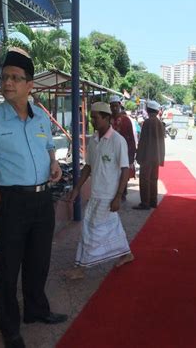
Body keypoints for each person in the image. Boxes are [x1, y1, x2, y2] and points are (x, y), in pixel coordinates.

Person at [0, 48, 67, 348]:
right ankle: (10, 328)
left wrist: (53, 163)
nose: (8, 82)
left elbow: (50, 145)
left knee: (39, 262)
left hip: (42, 200)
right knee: (9, 269)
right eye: (5, 77)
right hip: (11, 201)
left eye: (15, 77)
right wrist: (2, 206)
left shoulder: (40, 118)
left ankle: (36, 311)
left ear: (30, 86)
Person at [64, 102, 134, 279]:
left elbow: (125, 169)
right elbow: (88, 167)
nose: (92, 121)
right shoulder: (93, 140)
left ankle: (80, 268)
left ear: (107, 118)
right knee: (111, 228)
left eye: (96, 118)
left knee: (90, 230)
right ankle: (126, 254)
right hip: (96, 193)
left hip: (108, 195)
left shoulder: (118, 141)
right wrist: (77, 188)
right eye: (91, 118)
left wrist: (118, 196)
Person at [133, 100, 165, 210]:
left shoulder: (147, 122)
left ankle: (145, 203)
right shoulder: (159, 123)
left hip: (147, 156)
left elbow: (143, 141)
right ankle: (153, 201)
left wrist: (139, 155)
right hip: (156, 156)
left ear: (148, 110)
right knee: (153, 179)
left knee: (144, 179)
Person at [110, 95, 136, 199]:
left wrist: (132, 154)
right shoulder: (108, 119)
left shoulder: (126, 120)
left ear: (120, 105)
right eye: (112, 106)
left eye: (116, 106)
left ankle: (122, 192)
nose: (114, 108)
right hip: (110, 151)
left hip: (124, 151)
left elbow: (131, 138)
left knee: (123, 172)